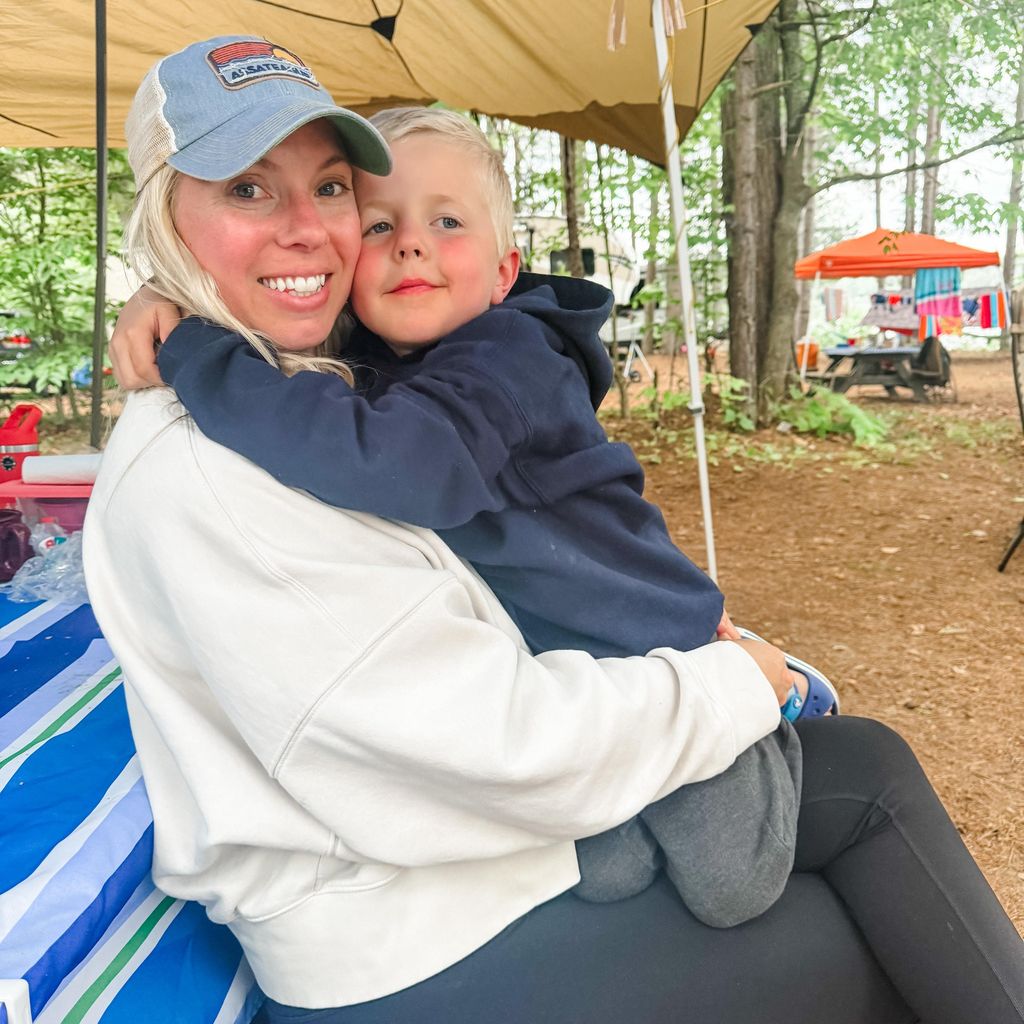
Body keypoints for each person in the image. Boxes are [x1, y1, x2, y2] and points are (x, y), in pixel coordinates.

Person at [88, 35, 1024, 1024]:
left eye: (328, 190)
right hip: (419, 943)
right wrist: (737, 682)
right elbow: (499, 745)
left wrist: (177, 308)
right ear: (163, 216)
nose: (310, 232)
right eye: (244, 191)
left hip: (463, 862)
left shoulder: (291, 381)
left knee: (862, 770)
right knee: (877, 936)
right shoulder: (212, 468)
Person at [113, 104, 842, 927]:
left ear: (504, 275)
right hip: (563, 665)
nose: (410, 244)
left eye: (447, 221)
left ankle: (782, 704)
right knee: (610, 873)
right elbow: (270, 306)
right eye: (380, 224)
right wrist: (165, 292)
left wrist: (198, 349)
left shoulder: (511, 353)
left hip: (649, 633)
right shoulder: (370, 360)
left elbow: (401, 465)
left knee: (731, 886)